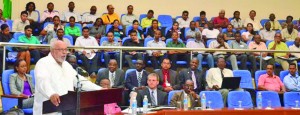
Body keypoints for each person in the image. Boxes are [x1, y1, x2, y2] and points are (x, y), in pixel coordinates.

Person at [33, 40, 102, 114]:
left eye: (65, 49)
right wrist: (51, 94)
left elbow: (80, 81)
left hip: (67, 108)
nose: (64, 52)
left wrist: (100, 89)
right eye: (61, 50)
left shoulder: (67, 65)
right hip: (49, 109)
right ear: (52, 50)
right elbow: (42, 82)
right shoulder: (43, 63)